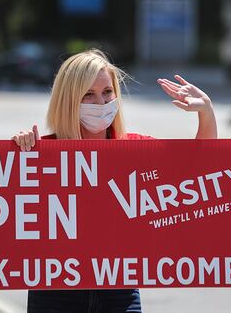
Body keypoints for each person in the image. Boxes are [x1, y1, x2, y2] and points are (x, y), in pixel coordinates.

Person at [11, 49, 217, 313]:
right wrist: (19, 153)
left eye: (107, 92)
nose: (101, 102)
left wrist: (206, 111)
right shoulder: (43, 153)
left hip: (119, 292)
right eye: (89, 94)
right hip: (56, 292)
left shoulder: (135, 150)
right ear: (69, 99)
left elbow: (202, 171)